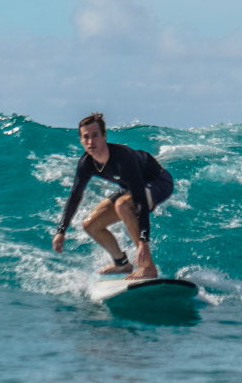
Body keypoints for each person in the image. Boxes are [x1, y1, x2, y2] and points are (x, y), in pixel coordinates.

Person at [51, 112, 174, 279]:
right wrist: (61, 231)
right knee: (90, 224)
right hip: (131, 188)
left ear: (104, 136)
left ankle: (147, 267)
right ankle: (122, 264)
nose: (90, 142)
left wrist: (144, 242)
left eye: (95, 136)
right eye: (86, 137)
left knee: (122, 205)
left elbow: (140, 200)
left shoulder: (123, 158)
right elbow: (75, 196)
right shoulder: (86, 163)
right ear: (80, 140)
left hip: (158, 181)